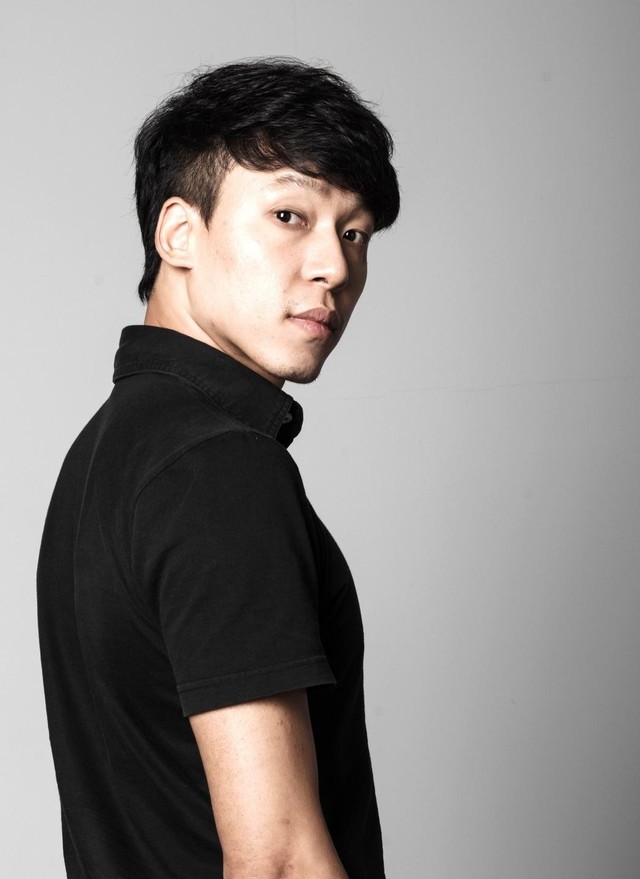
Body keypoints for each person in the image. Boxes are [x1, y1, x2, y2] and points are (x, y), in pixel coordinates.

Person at [37, 57, 400, 879]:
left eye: (353, 232)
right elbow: (277, 859)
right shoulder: (218, 468)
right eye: (288, 215)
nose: (334, 266)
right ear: (178, 234)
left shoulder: (109, 451)